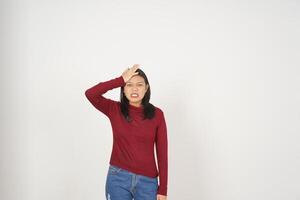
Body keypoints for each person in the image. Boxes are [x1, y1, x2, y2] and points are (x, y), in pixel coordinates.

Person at [84, 64, 168, 200]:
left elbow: (162, 153)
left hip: (148, 183)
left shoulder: (157, 115)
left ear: (146, 88)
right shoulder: (114, 109)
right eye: (129, 85)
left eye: (139, 85)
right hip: (118, 178)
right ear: (123, 89)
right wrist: (120, 79)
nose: (134, 89)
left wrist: (163, 189)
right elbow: (91, 94)